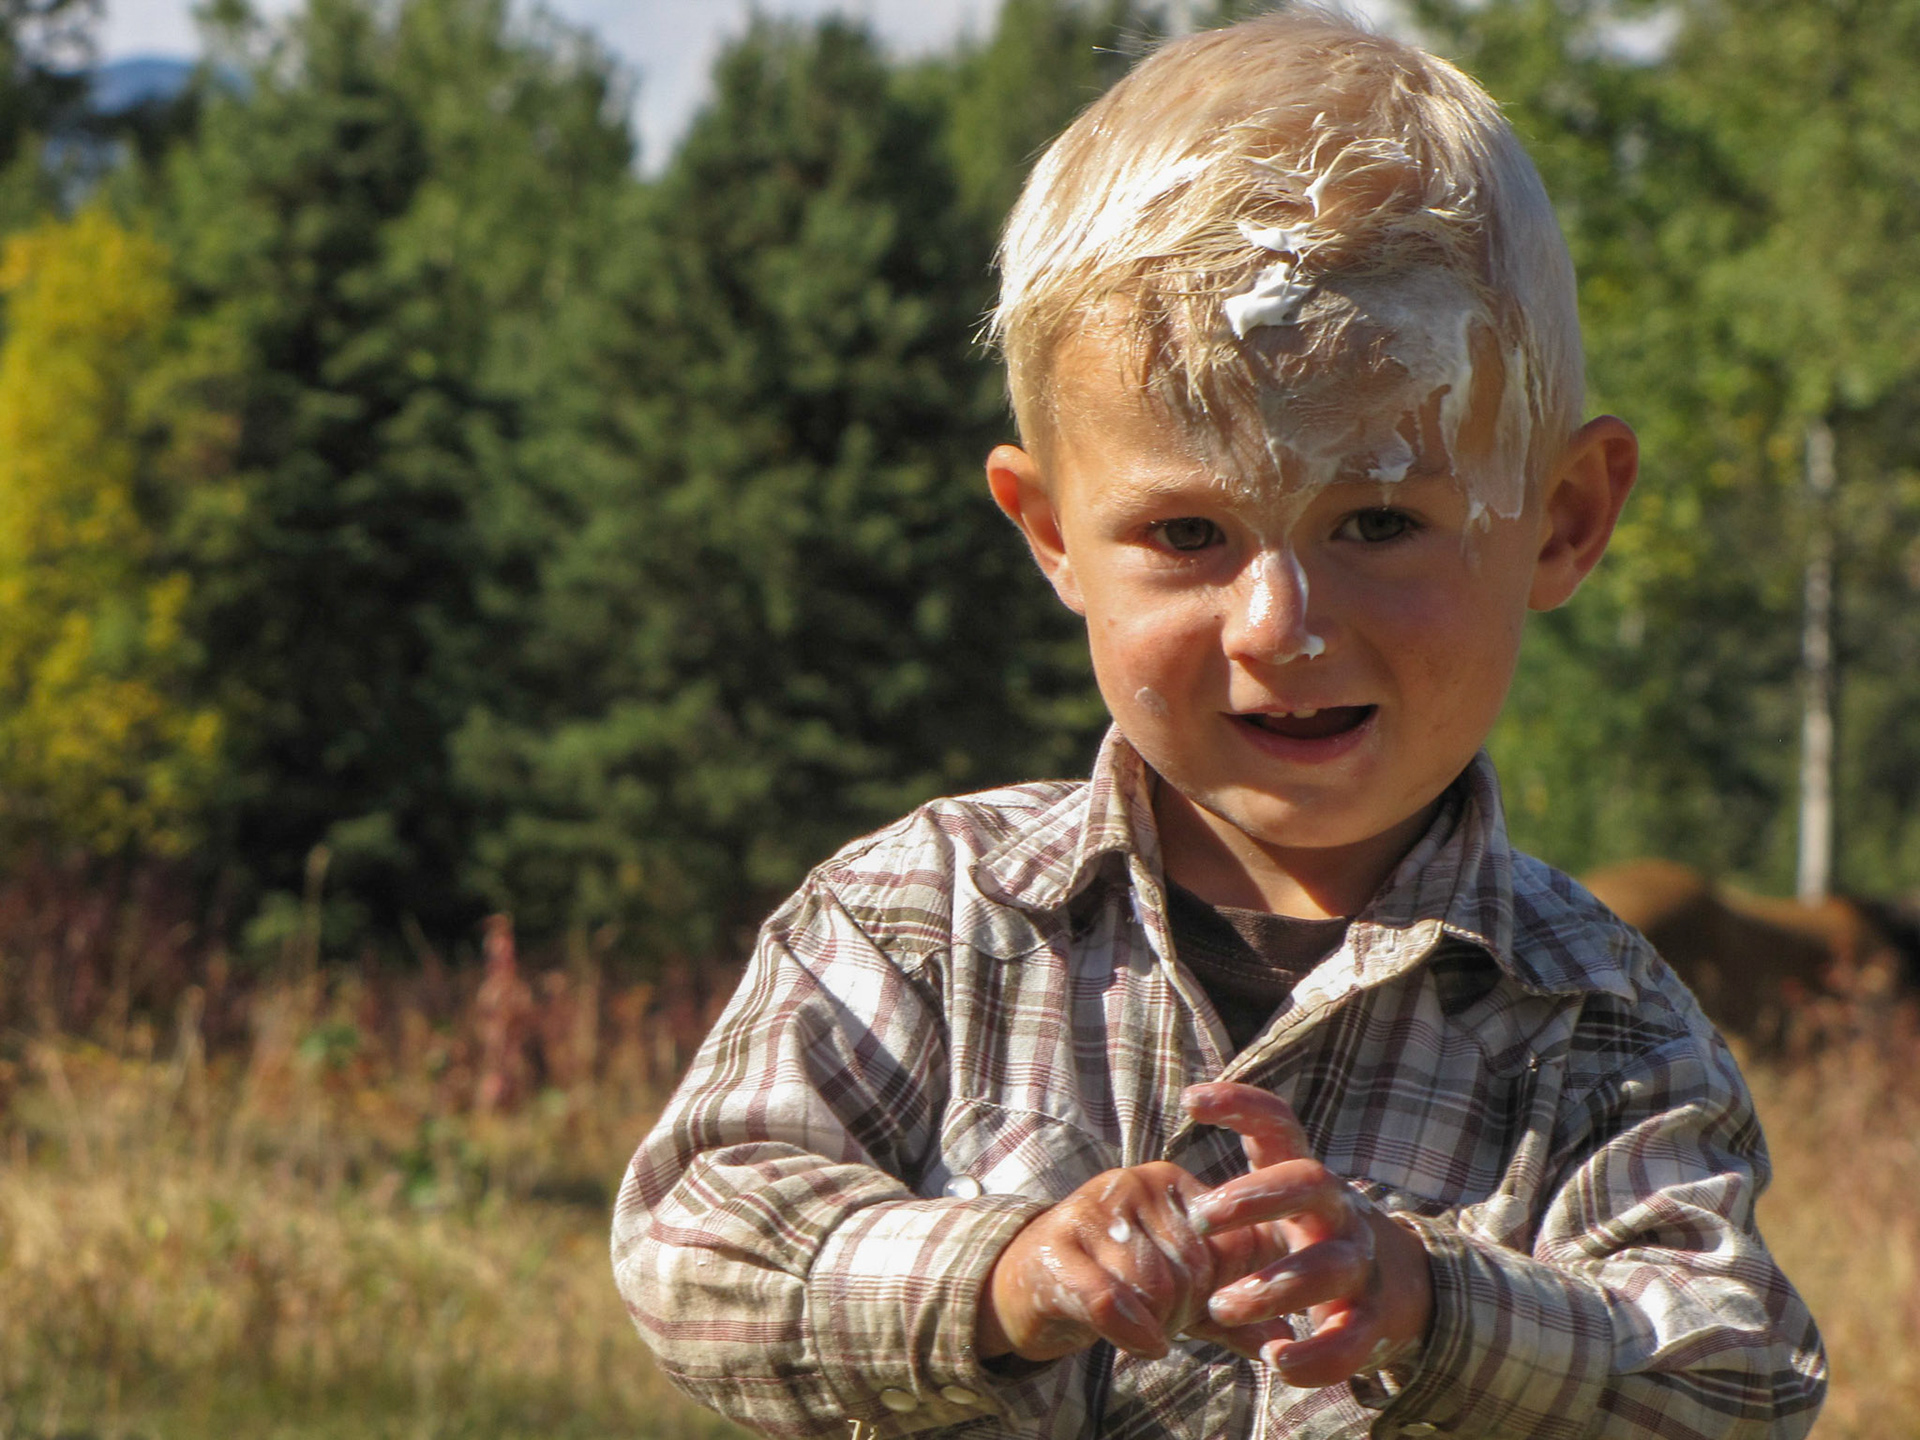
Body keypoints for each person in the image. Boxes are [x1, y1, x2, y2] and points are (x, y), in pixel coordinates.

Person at [610, 9, 1827, 1439]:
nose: (1279, 624)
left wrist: (1437, 1307)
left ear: (1559, 522)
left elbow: (1735, 1381)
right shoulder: (922, 925)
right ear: (1054, 534)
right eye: (1187, 532)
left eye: (1380, 518)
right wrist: (1000, 1269)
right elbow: (699, 1241)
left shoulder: (1603, 1036)